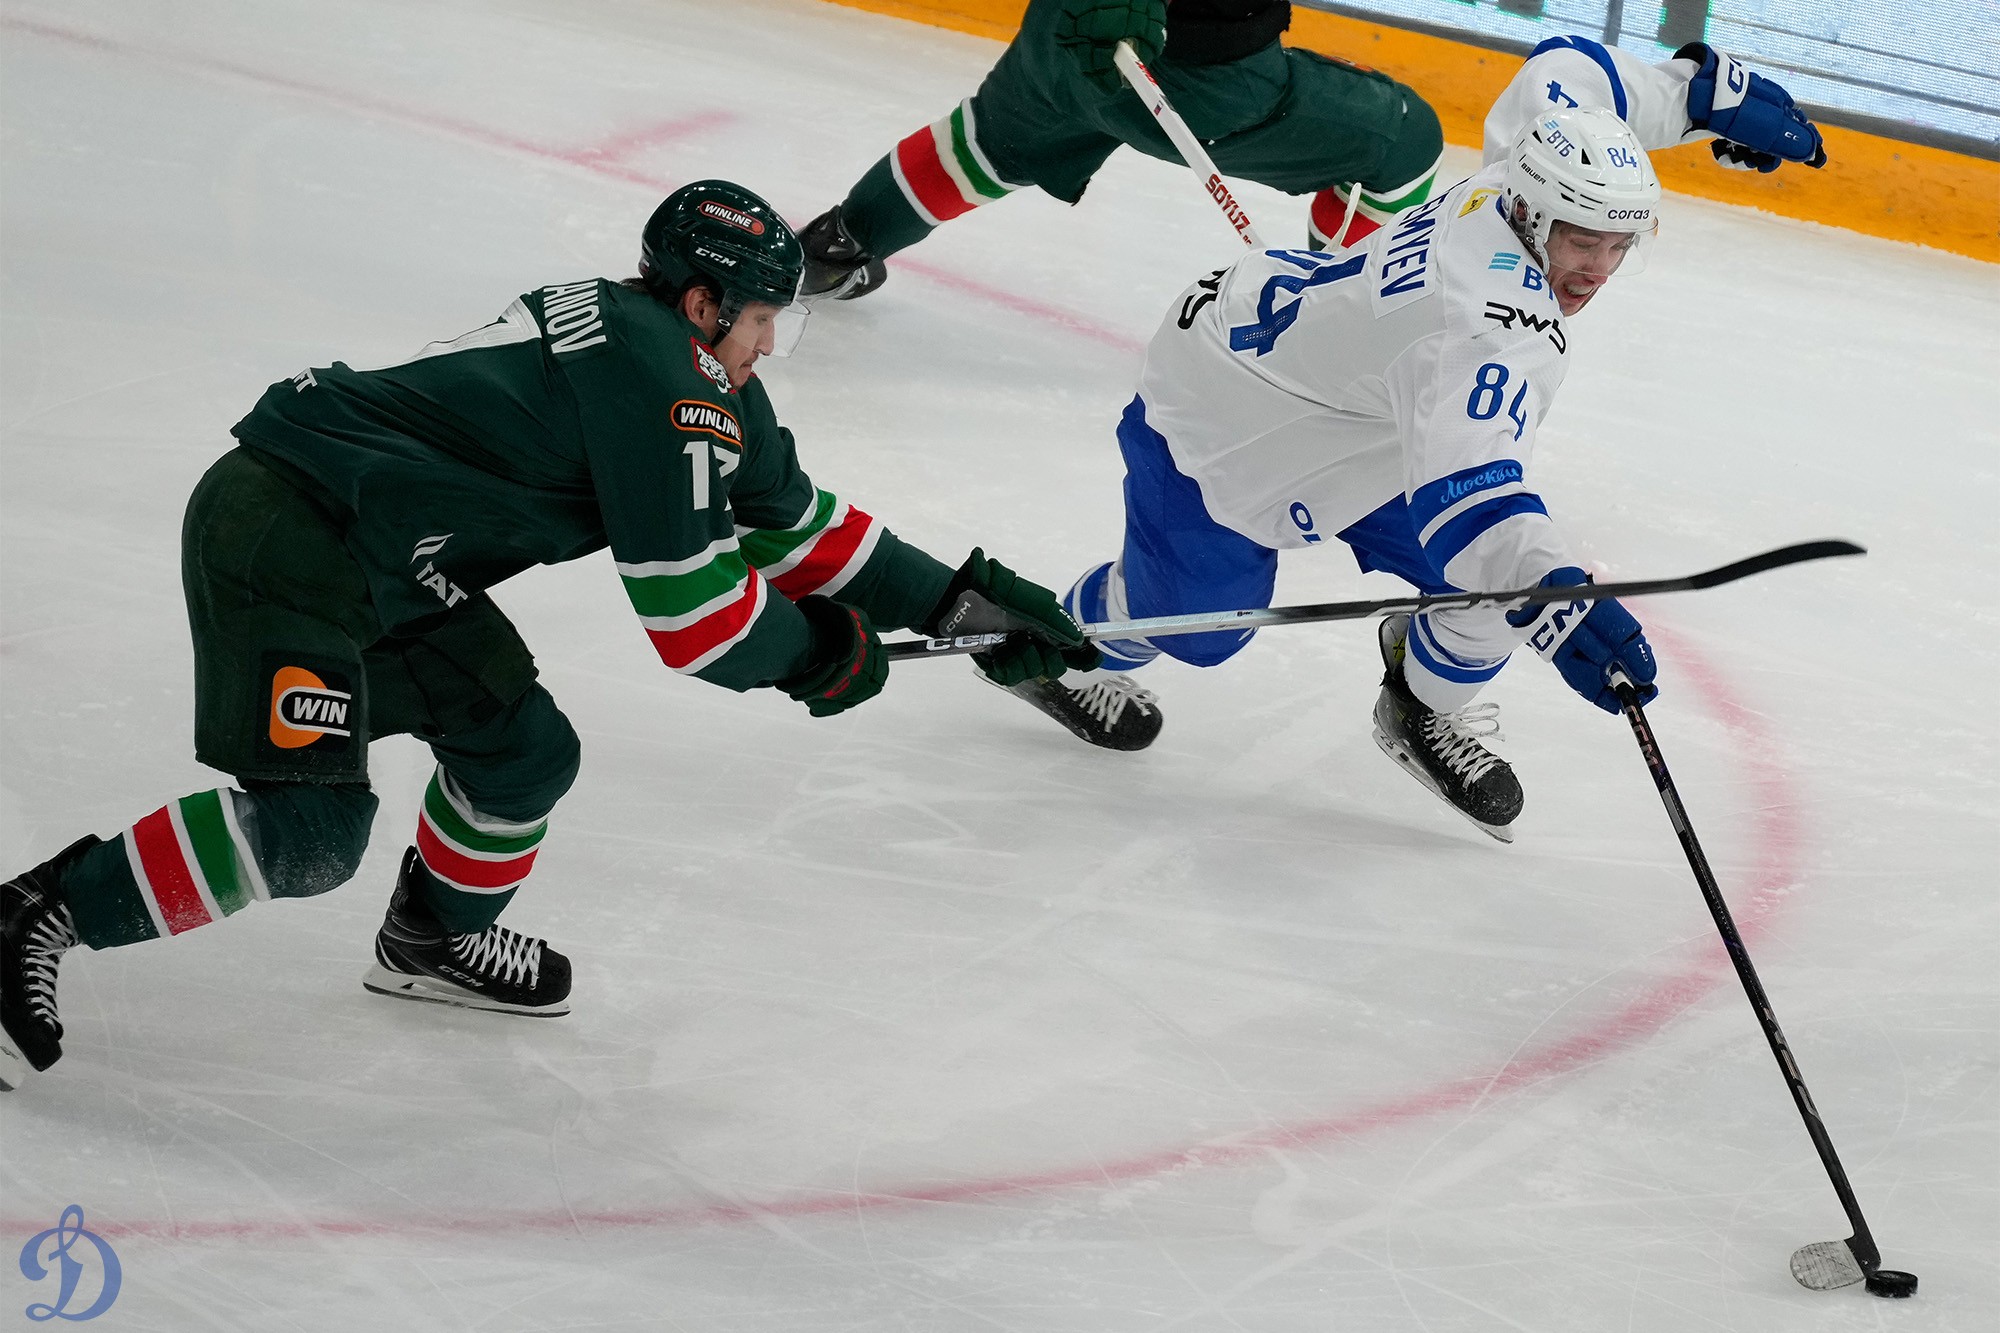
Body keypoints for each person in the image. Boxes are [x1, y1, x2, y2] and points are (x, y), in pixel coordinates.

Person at [0, 181, 1094, 1090]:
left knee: (521, 752)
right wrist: (817, 655)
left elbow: (801, 529)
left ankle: (433, 939)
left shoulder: (672, 356)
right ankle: (36, 914)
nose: (771, 343)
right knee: (313, 829)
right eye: (763, 319)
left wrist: (963, 606)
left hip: (398, 556)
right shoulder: (666, 388)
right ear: (703, 303)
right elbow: (698, 621)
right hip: (296, 532)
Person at [982, 37, 1827, 839]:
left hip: (1362, 409)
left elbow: (1568, 72)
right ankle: (1063, 644)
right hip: (1230, 416)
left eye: (1619, 245)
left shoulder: (1517, 176)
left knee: (1500, 585)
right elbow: (1475, 512)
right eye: (1582, 242)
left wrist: (1695, 94)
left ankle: (1419, 707)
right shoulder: (1484, 327)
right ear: (1535, 215)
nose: (1598, 271)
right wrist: (1557, 609)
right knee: (1201, 631)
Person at [796, 0, 1446, 301]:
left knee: (985, 145)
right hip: (1200, 81)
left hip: (1066, 31)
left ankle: (837, 247)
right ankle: (1328, 323)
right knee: (1405, 139)